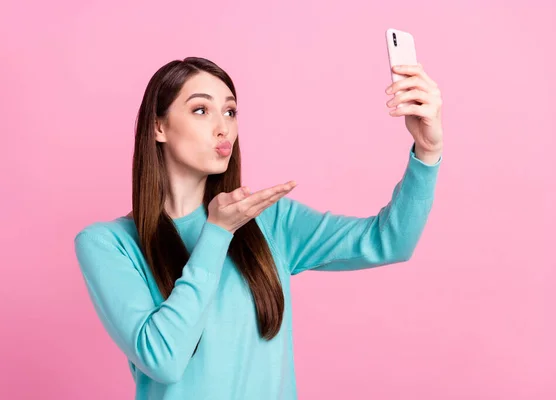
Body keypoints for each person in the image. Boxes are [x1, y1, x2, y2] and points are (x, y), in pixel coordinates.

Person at [74, 56, 443, 399]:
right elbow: (164, 360)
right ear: (158, 127)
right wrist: (217, 233)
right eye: (201, 110)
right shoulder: (108, 244)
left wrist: (426, 152)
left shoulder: (270, 221)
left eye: (230, 111)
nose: (223, 127)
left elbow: (390, 242)